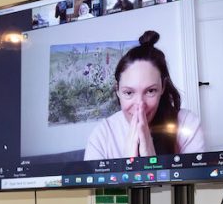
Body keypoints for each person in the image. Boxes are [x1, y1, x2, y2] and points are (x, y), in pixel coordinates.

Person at [84, 31, 205, 160]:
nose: (140, 106)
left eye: (150, 91)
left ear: (162, 87)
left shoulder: (187, 124)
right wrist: (129, 164)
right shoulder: (102, 136)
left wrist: (151, 161)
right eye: (129, 93)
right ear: (117, 90)